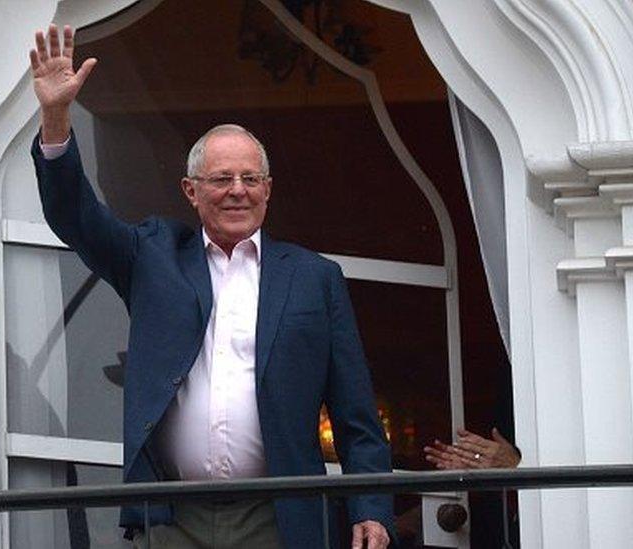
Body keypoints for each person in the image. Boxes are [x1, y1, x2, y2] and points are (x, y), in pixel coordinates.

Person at [28, 23, 394, 549]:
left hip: (278, 513)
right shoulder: (153, 257)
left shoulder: (315, 279)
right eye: (221, 180)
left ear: (268, 190)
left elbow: (355, 413)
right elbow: (75, 216)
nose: (237, 191)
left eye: (250, 179)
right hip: (176, 514)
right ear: (191, 191)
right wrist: (57, 116)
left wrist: (371, 507)